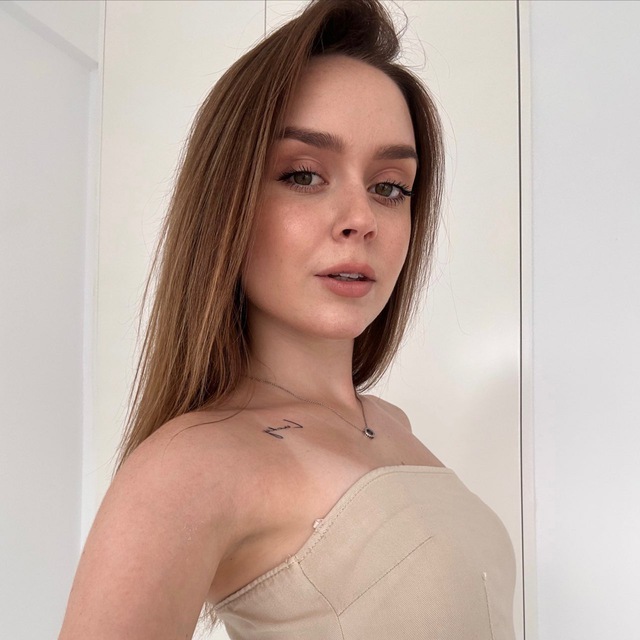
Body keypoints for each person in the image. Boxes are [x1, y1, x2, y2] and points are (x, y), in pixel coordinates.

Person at [59, 0, 516, 638]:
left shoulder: (392, 424)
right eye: (303, 175)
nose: (361, 218)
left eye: (389, 186)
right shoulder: (190, 467)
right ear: (227, 200)